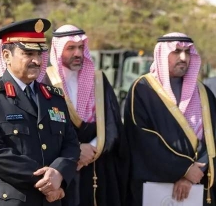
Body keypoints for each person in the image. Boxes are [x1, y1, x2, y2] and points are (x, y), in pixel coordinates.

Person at [0, 19, 80, 206]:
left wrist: (60, 173)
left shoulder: (54, 98)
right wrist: (46, 181)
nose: (36, 60)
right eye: (28, 53)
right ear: (6, 55)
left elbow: (71, 144)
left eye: (39, 53)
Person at [124, 33, 216, 205]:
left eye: (187, 52)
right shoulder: (143, 89)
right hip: (154, 182)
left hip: (198, 181)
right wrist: (183, 169)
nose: (183, 57)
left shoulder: (203, 92)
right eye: (176, 51)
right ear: (162, 54)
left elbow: (212, 136)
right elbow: (141, 139)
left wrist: (194, 174)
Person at [44, 25, 128, 206]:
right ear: (58, 50)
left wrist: (91, 148)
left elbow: (112, 124)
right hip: (61, 167)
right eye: (71, 48)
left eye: (81, 48)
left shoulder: (98, 80)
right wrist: (75, 152)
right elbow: (43, 129)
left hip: (97, 165)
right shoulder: (46, 81)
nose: (78, 53)